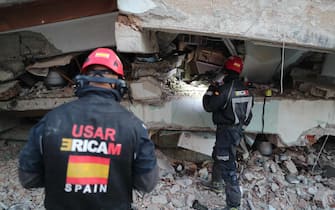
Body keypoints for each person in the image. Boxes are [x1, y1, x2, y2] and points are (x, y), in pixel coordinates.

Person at [18, 48, 158, 210]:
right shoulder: (134, 126)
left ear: (84, 79)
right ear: (116, 82)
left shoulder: (51, 120)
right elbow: (147, 183)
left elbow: (28, 179)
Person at [202, 56, 254, 210]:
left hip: (226, 131)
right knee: (219, 154)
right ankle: (216, 183)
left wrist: (211, 88)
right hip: (236, 130)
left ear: (225, 70)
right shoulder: (247, 91)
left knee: (227, 164)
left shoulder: (225, 89)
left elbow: (208, 106)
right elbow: (249, 115)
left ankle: (234, 204)